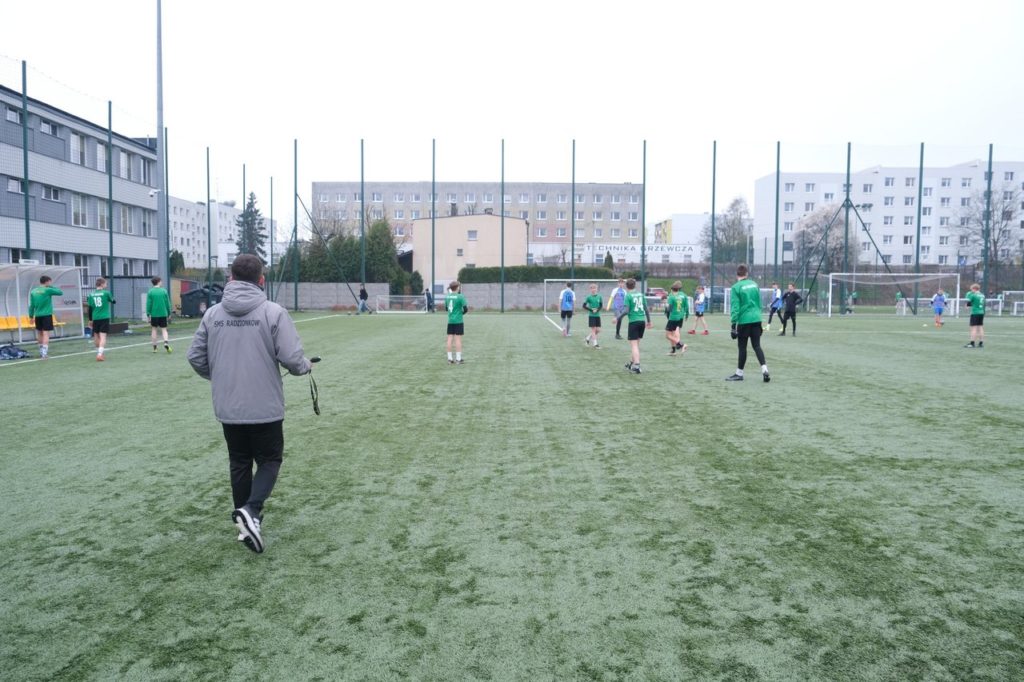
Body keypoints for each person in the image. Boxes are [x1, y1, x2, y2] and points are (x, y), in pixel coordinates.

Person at [186, 254, 312, 554]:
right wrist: (306, 366)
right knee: (270, 460)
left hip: (228, 405)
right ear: (261, 280)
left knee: (239, 461)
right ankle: (252, 510)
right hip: (264, 405)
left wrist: (220, 378)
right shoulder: (273, 312)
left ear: (231, 278)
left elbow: (195, 357)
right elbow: (292, 359)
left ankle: (246, 526)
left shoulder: (213, 314)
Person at [726, 265, 770, 382]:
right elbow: (759, 303)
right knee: (757, 346)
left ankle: (739, 373)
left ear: (737, 275)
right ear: (747, 274)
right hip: (756, 318)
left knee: (742, 347)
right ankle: (765, 369)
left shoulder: (736, 287)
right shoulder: (754, 284)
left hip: (744, 320)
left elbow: (735, 307)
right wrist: (759, 318)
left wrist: (733, 325)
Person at [28, 275, 63, 359]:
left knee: (40, 333)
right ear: (47, 281)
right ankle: (44, 354)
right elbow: (60, 292)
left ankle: (41, 352)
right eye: (50, 282)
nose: (50, 283)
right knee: (45, 333)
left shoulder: (33, 291)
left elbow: (31, 306)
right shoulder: (48, 290)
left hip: (38, 315)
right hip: (46, 315)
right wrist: (50, 286)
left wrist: (31, 316)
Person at [623, 277, 652, 374]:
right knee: (636, 345)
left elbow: (626, 311)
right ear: (635, 285)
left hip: (634, 322)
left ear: (627, 286)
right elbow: (646, 309)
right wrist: (649, 321)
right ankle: (631, 363)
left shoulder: (628, 296)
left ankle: (637, 366)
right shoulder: (641, 295)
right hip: (642, 321)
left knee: (634, 345)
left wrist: (618, 317)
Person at [87, 277, 115, 361]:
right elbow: (113, 301)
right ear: (102, 284)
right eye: (105, 283)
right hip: (104, 317)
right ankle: (99, 354)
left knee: (96, 335)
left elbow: (90, 308)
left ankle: (99, 353)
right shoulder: (106, 293)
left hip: (95, 318)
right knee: (103, 336)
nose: (106, 285)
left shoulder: (91, 294)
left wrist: (90, 319)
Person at [146, 276, 172, 353]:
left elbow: (148, 304)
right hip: (163, 314)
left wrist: (148, 314)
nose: (162, 282)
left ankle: (155, 348)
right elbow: (168, 303)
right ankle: (166, 342)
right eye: (161, 281)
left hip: (154, 314)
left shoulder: (150, 292)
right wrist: (169, 313)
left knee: (154, 329)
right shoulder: (164, 291)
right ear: (158, 282)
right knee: (164, 329)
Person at [445, 280, 468, 363]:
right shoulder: (460, 296)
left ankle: (450, 359)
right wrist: (460, 313)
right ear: (457, 287)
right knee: (458, 339)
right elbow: (465, 309)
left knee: (449, 339)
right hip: (458, 321)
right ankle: (458, 359)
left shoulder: (447, 296)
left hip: (450, 321)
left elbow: (446, 309)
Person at [664, 280, 689, 356]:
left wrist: (666, 309)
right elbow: (687, 306)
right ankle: (673, 350)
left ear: (672, 288)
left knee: (668, 335)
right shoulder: (684, 295)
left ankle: (681, 344)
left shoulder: (671, 296)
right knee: (675, 332)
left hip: (673, 317)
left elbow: (669, 309)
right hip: (680, 316)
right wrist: (687, 315)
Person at [964, 283, 985, 348]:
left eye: (972, 289)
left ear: (974, 289)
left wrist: (966, 304)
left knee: (974, 328)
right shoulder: (983, 295)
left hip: (975, 313)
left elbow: (968, 305)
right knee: (980, 327)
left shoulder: (973, 295)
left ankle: (972, 343)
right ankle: (981, 343)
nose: (971, 291)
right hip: (981, 312)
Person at [582, 283, 603, 349]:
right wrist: (591, 310)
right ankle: (595, 344)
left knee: (598, 330)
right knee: (593, 330)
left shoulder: (599, 296)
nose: (593, 289)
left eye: (594, 288)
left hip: (597, 315)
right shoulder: (588, 297)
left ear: (597, 289)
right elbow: (584, 306)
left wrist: (597, 310)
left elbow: (601, 305)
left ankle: (587, 338)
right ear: (590, 289)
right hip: (591, 316)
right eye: (592, 288)